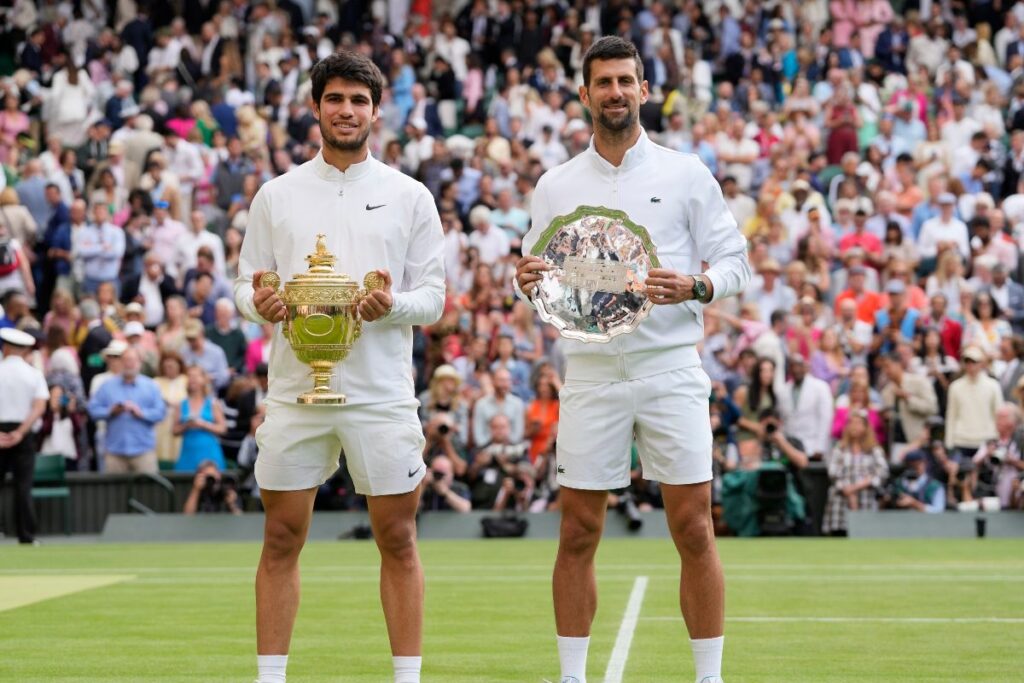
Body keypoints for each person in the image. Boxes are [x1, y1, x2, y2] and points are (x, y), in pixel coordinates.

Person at [515, 37, 749, 683]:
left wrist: (697, 285)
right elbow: (537, 277)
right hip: (591, 373)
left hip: (671, 365)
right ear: (584, 95)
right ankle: (572, 675)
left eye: (627, 81)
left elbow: (736, 262)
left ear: (644, 90)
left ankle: (709, 676)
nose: (616, 92)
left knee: (695, 528)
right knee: (577, 531)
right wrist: (524, 276)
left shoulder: (686, 172)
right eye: (603, 83)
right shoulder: (555, 183)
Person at [233, 51, 444, 683]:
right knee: (280, 537)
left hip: (381, 395)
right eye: (335, 99)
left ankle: (406, 678)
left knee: (399, 539)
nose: (346, 110)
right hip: (296, 392)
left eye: (358, 100)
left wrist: (389, 305)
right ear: (316, 107)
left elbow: (432, 298)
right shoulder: (278, 195)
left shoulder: (410, 195)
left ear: (376, 112)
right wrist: (260, 303)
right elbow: (246, 285)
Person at [0, 328, 48, 545]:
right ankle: (26, 536)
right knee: (24, 486)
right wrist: (20, 432)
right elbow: (39, 406)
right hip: (23, 433)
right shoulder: (34, 374)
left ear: (6, 347)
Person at [86, 347, 167, 474]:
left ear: (139, 363)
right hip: (115, 451)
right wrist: (110, 411)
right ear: (120, 362)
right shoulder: (107, 386)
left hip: (143, 451)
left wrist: (141, 413)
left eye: (132, 360)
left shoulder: (151, 386)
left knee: (148, 491)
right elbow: (92, 410)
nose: (129, 364)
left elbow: (161, 413)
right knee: (114, 492)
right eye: (126, 360)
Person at [172, 365, 227, 471]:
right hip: (188, 453)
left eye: (196, 376)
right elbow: (174, 431)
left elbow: (222, 428)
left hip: (209, 452)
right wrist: (187, 425)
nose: (192, 379)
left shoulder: (213, 403)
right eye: (190, 376)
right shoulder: (181, 404)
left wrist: (203, 424)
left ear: (204, 380)